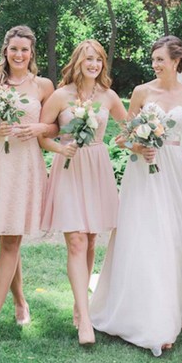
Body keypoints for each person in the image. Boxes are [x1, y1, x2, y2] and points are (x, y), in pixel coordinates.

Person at [90, 36, 182, 356]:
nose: (155, 64)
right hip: (142, 174)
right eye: (154, 59)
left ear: (176, 61)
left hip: (174, 171)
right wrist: (138, 145)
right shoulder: (141, 92)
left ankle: (177, 306)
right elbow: (122, 135)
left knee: (175, 236)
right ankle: (146, 315)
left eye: (161, 59)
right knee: (145, 236)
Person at [39, 40, 127, 347]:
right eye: (88, 59)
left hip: (97, 166)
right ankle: (85, 322)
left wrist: (138, 137)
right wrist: (60, 147)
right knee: (75, 240)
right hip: (69, 168)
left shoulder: (109, 96)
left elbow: (128, 127)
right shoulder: (60, 96)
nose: (94, 64)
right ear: (78, 61)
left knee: (90, 239)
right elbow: (42, 133)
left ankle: (81, 306)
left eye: (99, 60)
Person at [0, 25, 54, 351]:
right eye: (13, 49)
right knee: (9, 238)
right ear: (4, 50)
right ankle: (20, 301)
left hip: (25, 165)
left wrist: (37, 127)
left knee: (10, 240)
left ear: (32, 53)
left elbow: (55, 125)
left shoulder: (44, 86)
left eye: (24, 49)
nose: (19, 55)